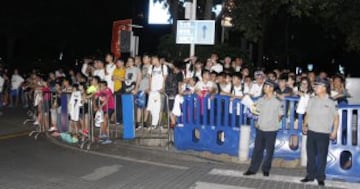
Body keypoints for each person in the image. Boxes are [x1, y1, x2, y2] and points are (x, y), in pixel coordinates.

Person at [301, 78, 339, 186]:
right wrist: (304, 125)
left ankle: (320, 177)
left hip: (323, 133)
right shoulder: (312, 100)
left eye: (317, 86)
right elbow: (307, 114)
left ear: (324, 88)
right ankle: (310, 175)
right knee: (311, 155)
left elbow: (336, 118)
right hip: (312, 131)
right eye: (315, 86)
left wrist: (335, 131)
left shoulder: (331, 102)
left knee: (322, 156)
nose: (315, 88)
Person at [244, 79, 283, 177]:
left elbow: (280, 115)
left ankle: (266, 169)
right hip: (260, 128)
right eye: (264, 86)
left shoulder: (277, 101)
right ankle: (253, 169)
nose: (265, 88)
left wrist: (273, 124)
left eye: (267, 86)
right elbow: (256, 112)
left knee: (269, 151)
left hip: (271, 130)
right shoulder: (260, 99)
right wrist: (250, 107)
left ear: (272, 88)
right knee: (257, 150)